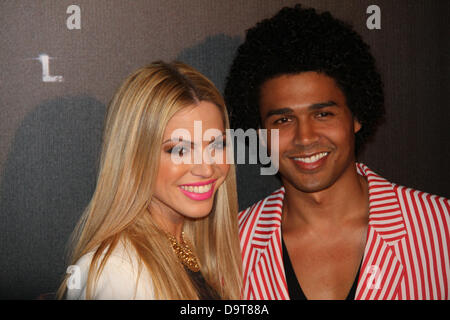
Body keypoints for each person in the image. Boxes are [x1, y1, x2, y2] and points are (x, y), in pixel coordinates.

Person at [224, 4, 449, 300]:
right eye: (283, 120)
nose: (305, 138)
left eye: (323, 114)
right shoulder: (229, 250)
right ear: (259, 134)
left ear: (356, 116)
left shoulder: (440, 230)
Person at [57, 61, 242, 299]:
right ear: (135, 157)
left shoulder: (196, 246)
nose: (207, 168)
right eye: (180, 150)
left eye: (216, 145)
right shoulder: (117, 272)